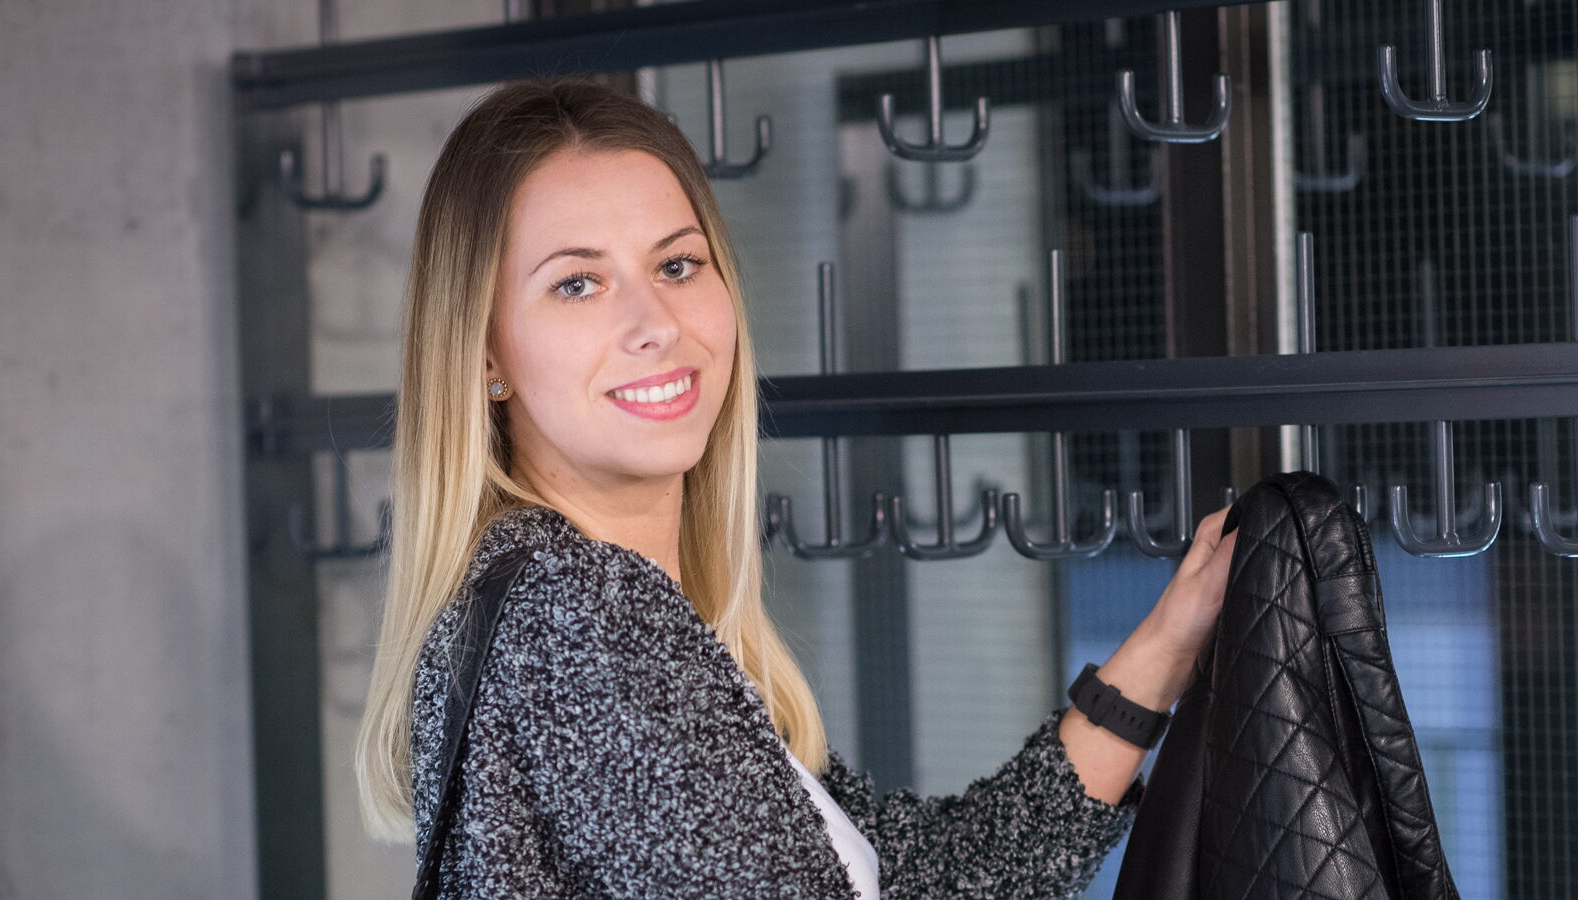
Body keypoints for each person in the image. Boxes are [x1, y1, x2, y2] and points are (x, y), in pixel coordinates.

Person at [354, 73, 1238, 899]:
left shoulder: (610, 616)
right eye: (578, 284)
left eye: (677, 265)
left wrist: (1168, 643)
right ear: (484, 355)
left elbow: (936, 878)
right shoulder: (575, 614)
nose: (654, 324)